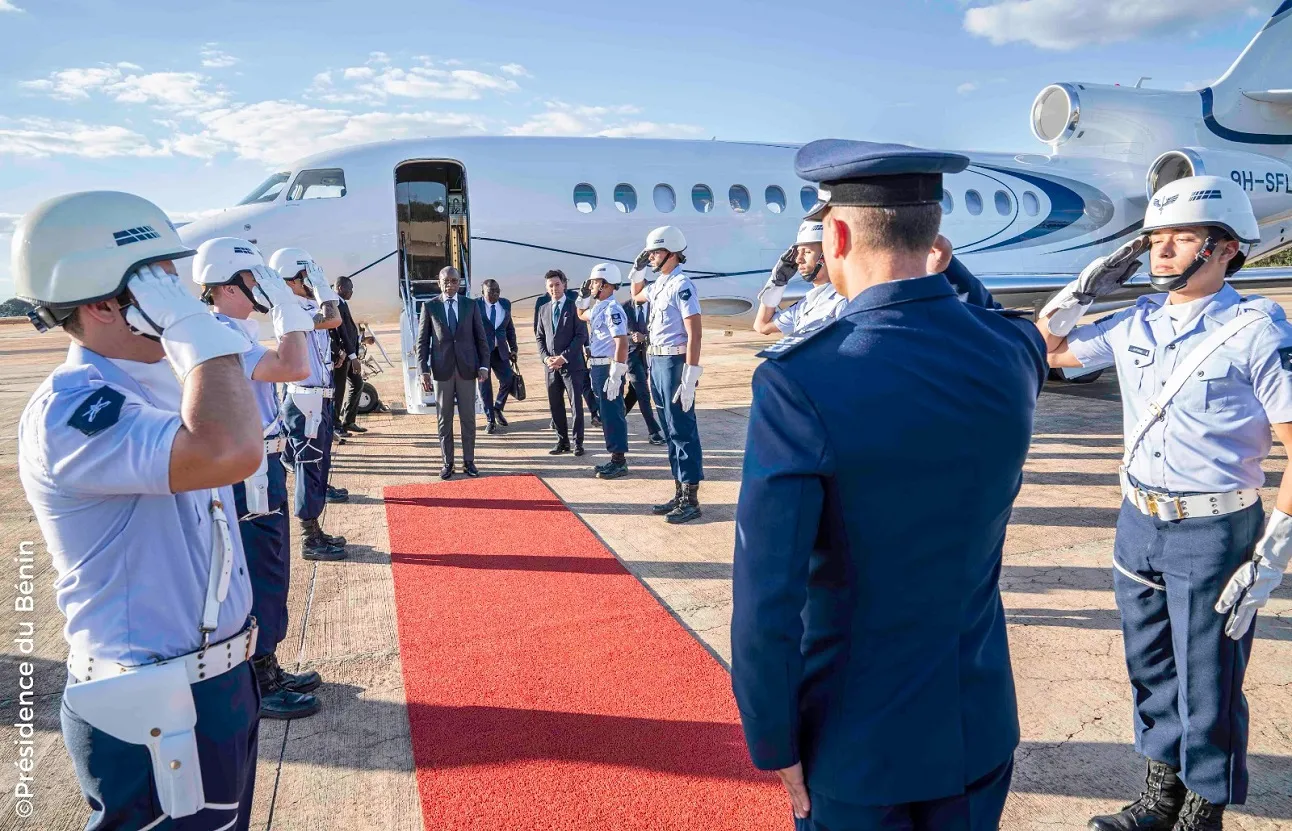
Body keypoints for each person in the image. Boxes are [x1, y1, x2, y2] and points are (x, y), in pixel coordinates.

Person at [730, 140, 1048, 831]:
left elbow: (767, 600)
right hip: (976, 723)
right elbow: (993, 318)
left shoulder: (799, 382)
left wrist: (774, 739)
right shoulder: (1013, 356)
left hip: (856, 744)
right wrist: (944, 266)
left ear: (836, 235)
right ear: (935, 235)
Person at [1037, 174, 1292, 831]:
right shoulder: (1136, 319)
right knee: (1149, 664)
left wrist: (1271, 556)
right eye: (1154, 238)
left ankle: (1202, 808)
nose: (1161, 249)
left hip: (1215, 527)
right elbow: (1048, 350)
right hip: (1138, 521)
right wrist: (1085, 286)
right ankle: (1160, 796)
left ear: (1226, 248)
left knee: (1208, 677)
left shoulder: (1256, 325)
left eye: (1182, 237)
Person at [14, 191, 265, 830]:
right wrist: (198, 329)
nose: (181, 295)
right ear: (102, 304)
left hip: (214, 689)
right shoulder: (73, 412)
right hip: (153, 708)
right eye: (160, 282)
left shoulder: (156, 382)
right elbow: (232, 449)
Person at [192, 237, 325, 720]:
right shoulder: (219, 333)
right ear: (227, 286)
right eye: (253, 280)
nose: (261, 288)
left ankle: (266, 660)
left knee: (269, 563)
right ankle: (258, 678)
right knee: (256, 566)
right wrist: (288, 306)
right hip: (246, 467)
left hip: (260, 461)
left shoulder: (234, 329)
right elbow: (294, 365)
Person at [269, 247, 348, 559]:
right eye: (306, 276)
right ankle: (309, 539)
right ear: (292, 280)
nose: (313, 280)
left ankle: (315, 531)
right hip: (306, 404)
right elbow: (333, 317)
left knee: (319, 467)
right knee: (309, 469)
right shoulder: (288, 308)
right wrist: (324, 289)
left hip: (319, 400)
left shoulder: (304, 305)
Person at [629, 226, 705, 523]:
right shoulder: (659, 284)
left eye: (655, 252)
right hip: (656, 361)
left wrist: (690, 374)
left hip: (675, 362)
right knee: (669, 428)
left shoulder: (681, 284)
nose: (650, 256)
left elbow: (694, 332)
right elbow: (636, 294)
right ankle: (679, 492)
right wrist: (635, 270)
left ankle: (691, 499)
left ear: (672, 254)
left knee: (682, 428)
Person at [417, 266, 489, 479]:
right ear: (439, 283)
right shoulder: (430, 306)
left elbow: (481, 338)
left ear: (460, 283)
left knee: (468, 419)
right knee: (444, 419)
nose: (450, 285)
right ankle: (448, 463)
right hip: (442, 372)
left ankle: (469, 462)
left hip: (467, 370)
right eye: (445, 281)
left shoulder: (471, 305)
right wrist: (423, 370)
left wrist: (484, 365)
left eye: (454, 281)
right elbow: (422, 341)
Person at [577, 264, 632, 478]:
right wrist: (582, 297)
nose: (590, 285)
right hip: (598, 367)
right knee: (606, 414)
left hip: (608, 368)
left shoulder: (612, 310)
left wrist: (616, 374)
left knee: (613, 414)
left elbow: (622, 342)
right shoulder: (599, 307)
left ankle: (619, 461)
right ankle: (614, 457)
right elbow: (581, 314)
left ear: (606, 285)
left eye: (594, 282)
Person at [753, 220, 847, 336]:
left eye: (807, 252)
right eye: (798, 252)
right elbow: (762, 325)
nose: (798, 260)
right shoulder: (804, 306)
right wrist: (777, 282)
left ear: (828, 255)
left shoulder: (844, 303)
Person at [535, 269, 590, 455]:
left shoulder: (575, 307)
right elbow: (540, 337)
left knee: (576, 405)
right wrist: (546, 358)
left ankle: (578, 443)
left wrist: (563, 357)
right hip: (551, 368)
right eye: (550, 286)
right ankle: (562, 441)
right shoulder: (543, 309)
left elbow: (581, 336)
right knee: (555, 405)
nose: (554, 289)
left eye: (557, 284)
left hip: (572, 365)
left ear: (564, 284)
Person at [623, 293, 667, 445]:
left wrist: (645, 337)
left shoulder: (656, 306)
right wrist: (632, 338)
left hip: (650, 355)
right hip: (631, 358)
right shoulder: (624, 308)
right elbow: (617, 334)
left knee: (634, 392)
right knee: (643, 392)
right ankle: (653, 431)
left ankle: (615, 419)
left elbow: (662, 330)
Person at [477, 278, 518, 434]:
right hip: (482, 352)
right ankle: (490, 420)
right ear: (483, 292)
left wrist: (514, 348)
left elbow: (509, 328)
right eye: (491, 291)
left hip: (500, 350)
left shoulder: (505, 304)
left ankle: (497, 407)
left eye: (497, 290)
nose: (495, 294)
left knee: (508, 378)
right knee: (485, 386)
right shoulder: (476, 305)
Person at [332, 276, 365, 438]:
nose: (352, 291)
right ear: (340, 288)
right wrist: (351, 356)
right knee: (338, 391)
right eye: (349, 288)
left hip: (349, 354)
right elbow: (341, 331)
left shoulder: (342, 303)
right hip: (343, 356)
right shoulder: (336, 304)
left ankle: (348, 421)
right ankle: (335, 425)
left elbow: (349, 331)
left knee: (358, 384)